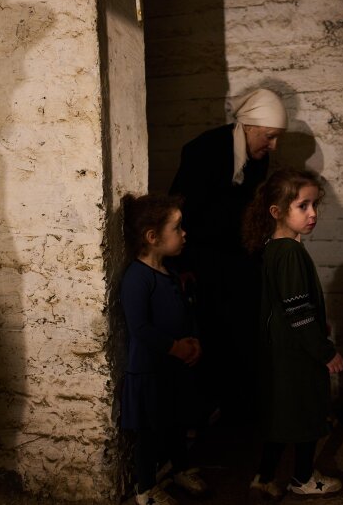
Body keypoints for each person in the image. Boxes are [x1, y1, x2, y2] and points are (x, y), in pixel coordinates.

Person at [169, 88, 288, 424]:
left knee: (246, 331)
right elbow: (182, 208)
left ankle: (241, 409)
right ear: (248, 126)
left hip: (239, 257)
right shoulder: (205, 150)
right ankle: (215, 410)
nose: (273, 146)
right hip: (204, 259)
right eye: (270, 136)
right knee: (215, 333)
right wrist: (180, 265)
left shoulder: (257, 160)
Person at [241, 169, 343, 499]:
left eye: (315, 205)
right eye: (303, 206)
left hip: (282, 350)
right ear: (277, 211)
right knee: (306, 414)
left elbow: (290, 307)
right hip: (296, 354)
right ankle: (303, 478)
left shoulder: (273, 248)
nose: (313, 213)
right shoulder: (289, 252)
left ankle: (263, 476)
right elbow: (298, 312)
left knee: (283, 414)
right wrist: (325, 350)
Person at [119, 193, 209, 505]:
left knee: (176, 423)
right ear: (153, 237)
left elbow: (185, 312)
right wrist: (174, 347)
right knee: (150, 434)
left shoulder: (168, 272)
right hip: (150, 371)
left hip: (172, 368)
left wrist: (193, 340)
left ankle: (179, 469)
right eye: (178, 227)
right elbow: (140, 329)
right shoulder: (137, 278)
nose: (185, 234)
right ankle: (145, 490)